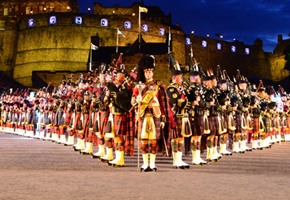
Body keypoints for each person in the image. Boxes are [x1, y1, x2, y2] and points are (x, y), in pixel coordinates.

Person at [131, 54, 170, 172]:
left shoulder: (158, 86)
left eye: (150, 71)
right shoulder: (138, 86)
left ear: (153, 72)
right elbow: (132, 102)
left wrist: (163, 118)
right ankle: (144, 163)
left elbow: (163, 104)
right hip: (142, 115)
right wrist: (135, 100)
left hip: (155, 115)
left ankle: (152, 163)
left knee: (153, 140)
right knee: (143, 140)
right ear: (143, 72)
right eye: (146, 71)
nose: (148, 73)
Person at [167, 68, 191, 169]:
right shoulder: (171, 89)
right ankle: (175, 160)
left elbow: (185, 99)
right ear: (174, 78)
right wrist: (188, 103)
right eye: (180, 77)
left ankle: (179, 159)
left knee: (181, 138)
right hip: (176, 116)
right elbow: (177, 102)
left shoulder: (181, 88)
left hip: (183, 115)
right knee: (175, 138)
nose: (182, 79)